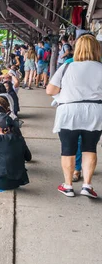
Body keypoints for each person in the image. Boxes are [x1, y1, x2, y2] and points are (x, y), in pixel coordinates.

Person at [46, 34, 102, 198]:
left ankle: (68, 186)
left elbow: (50, 90)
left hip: (69, 112)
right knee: (90, 148)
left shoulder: (67, 67)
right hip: (95, 111)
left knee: (68, 150)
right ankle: (87, 186)